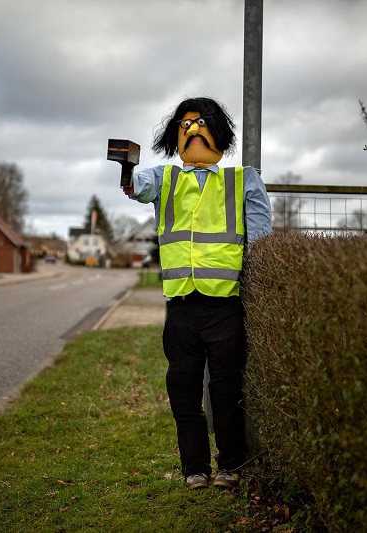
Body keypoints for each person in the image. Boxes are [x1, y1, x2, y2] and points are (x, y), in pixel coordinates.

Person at [123, 96, 272, 490]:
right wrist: (126, 168)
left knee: (226, 390)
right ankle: (195, 468)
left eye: (202, 122)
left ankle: (230, 466)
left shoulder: (242, 179)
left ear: (219, 131)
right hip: (181, 305)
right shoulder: (165, 178)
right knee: (183, 389)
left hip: (225, 305)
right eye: (186, 123)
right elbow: (136, 187)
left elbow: (260, 241)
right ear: (176, 134)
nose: (193, 129)